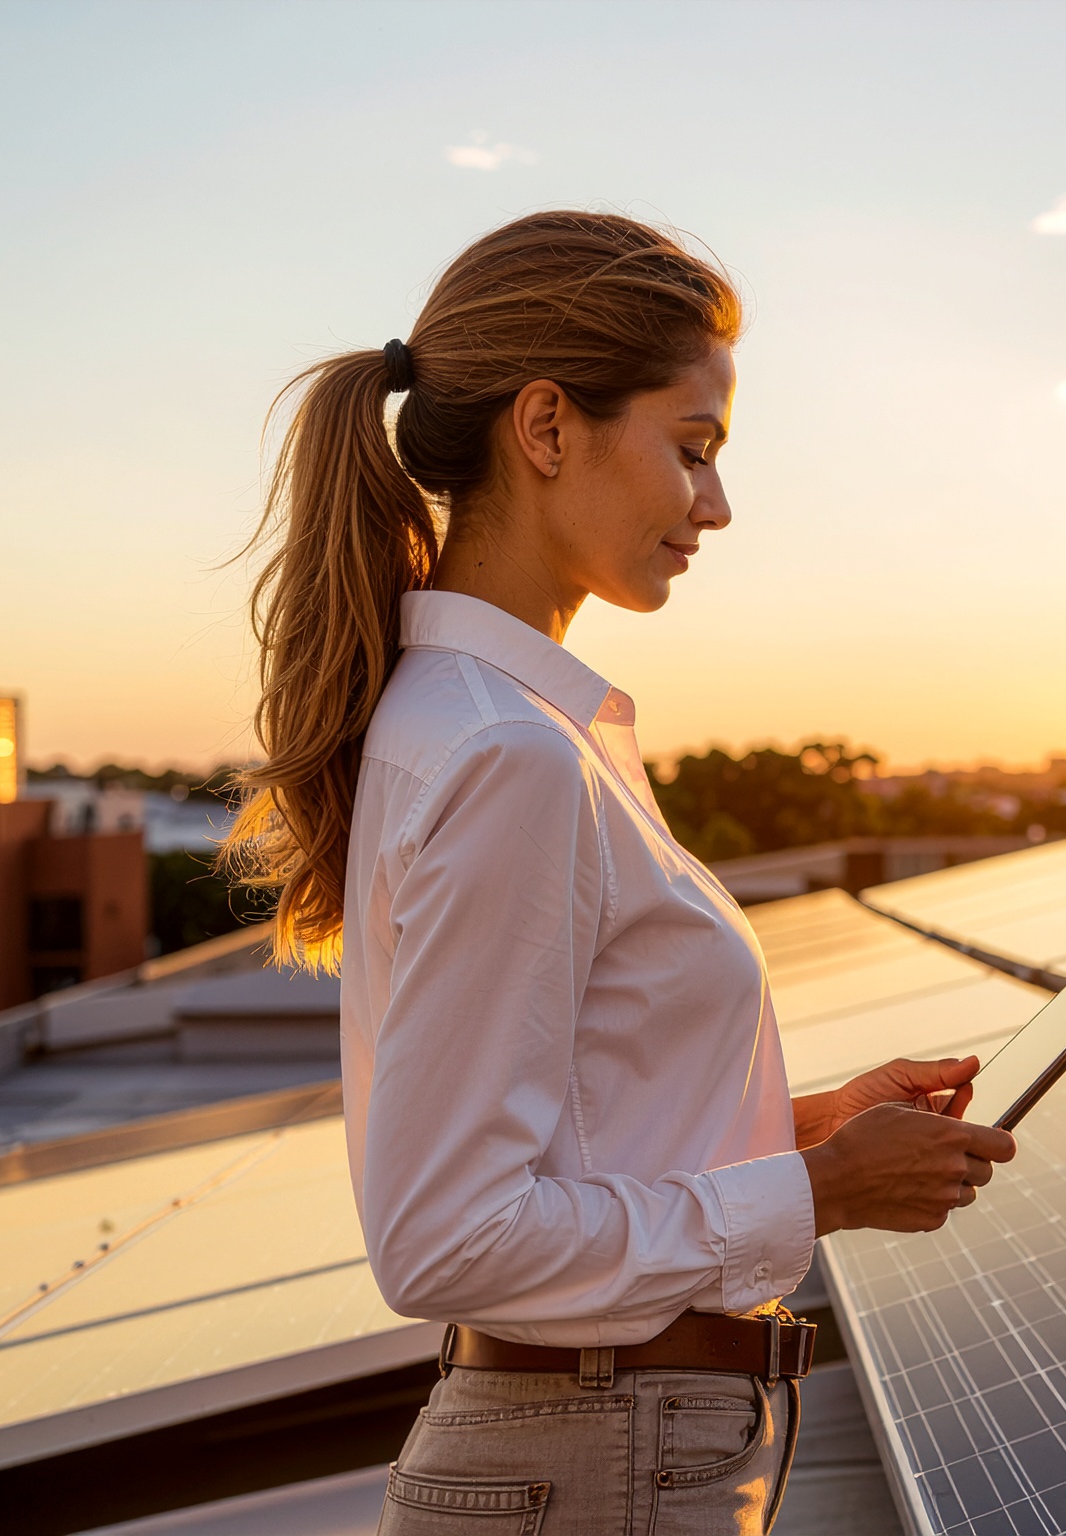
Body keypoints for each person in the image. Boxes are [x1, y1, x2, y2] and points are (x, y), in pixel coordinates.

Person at [222, 210, 1016, 1534]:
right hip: (600, 1462)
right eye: (692, 449)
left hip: (596, 1456)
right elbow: (448, 1238)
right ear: (546, 428)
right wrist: (821, 1192)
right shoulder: (509, 754)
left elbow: (578, 1133)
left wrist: (803, 1127)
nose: (716, 504)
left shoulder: (492, 726)